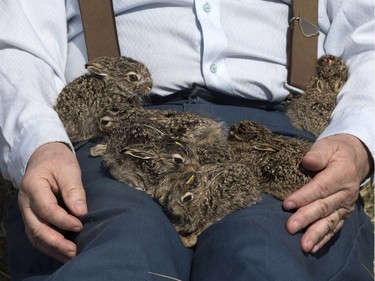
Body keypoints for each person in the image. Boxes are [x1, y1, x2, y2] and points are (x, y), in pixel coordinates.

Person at [0, 0, 373, 280]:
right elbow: (16, 44)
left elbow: (368, 34)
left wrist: (357, 140)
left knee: (262, 252)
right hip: (115, 130)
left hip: (272, 130)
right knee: (121, 248)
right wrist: (39, 143)